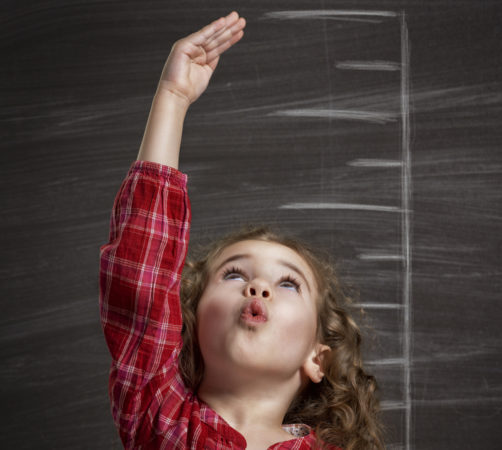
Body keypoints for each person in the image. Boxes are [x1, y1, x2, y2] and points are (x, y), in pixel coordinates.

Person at [99, 11, 383, 449]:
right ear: (190, 326)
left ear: (316, 357)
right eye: (233, 274)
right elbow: (142, 278)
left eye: (289, 283)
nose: (258, 287)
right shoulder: (162, 420)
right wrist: (173, 97)